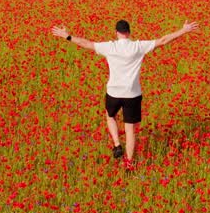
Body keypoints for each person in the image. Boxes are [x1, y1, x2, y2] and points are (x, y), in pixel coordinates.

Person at [50, 19, 199, 166]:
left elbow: (86, 44)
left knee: (110, 116)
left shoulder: (110, 47)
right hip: (132, 94)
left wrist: (67, 36)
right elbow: (163, 40)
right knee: (130, 131)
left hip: (114, 92)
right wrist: (183, 30)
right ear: (129, 32)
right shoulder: (138, 46)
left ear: (116, 33)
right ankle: (129, 164)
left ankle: (116, 144)